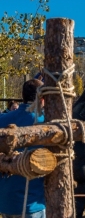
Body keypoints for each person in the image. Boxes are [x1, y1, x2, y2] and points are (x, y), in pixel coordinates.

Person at [0, 79, 46, 218]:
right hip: (32, 204)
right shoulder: (46, 123)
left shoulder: (3, 119)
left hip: (6, 202)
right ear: (42, 99)